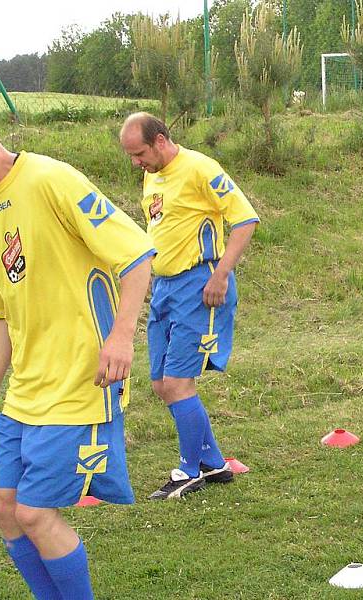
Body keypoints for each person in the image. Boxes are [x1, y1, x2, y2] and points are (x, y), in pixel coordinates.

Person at [0, 117, 154, 599]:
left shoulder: (49, 179)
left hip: (81, 382)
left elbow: (137, 255)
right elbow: (3, 317)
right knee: (3, 505)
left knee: (35, 513)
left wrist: (122, 337)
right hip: (26, 391)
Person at [119, 113, 259, 500]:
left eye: (140, 153)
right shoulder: (152, 176)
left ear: (161, 140)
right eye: (131, 156)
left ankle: (187, 471)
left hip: (199, 285)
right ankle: (212, 462)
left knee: (180, 382)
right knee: (162, 384)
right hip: (164, 289)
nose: (136, 162)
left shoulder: (200, 167)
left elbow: (245, 220)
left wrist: (221, 274)